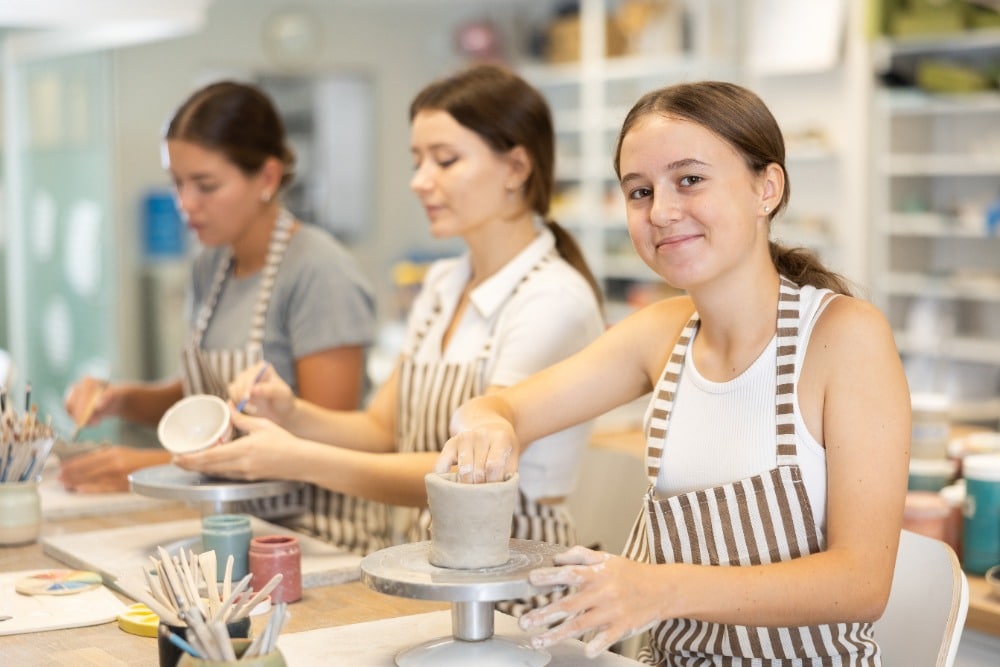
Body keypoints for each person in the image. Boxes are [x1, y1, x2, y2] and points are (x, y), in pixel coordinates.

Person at [435, 81, 910, 664]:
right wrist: (488, 423)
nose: (660, 212)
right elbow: (503, 407)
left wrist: (657, 588)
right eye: (639, 192)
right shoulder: (660, 333)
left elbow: (860, 584)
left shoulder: (845, 337)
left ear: (767, 187)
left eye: (689, 179)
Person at [173, 63, 606, 563]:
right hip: (427, 560)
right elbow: (382, 430)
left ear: (516, 168)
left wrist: (300, 458)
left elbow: (471, 475)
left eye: (444, 161)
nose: (420, 181)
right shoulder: (444, 283)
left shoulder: (551, 299)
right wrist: (290, 412)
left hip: (515, 573)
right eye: (417, 161)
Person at [61, 80, 376, 494]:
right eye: (177, 182)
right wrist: (122, 400)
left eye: (206, 186)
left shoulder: (319, 271)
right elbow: (206, 401)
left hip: (312, 527)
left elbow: (323, 443)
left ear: (267, 176)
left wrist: (157, 466)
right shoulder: (212, 264)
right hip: (233, 515)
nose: (186, 203)